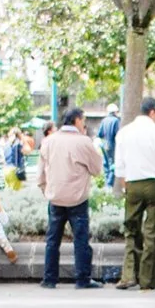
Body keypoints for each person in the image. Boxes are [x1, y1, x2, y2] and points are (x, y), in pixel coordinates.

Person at [39, 104, 106, 289]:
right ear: (77, 120)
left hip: (55, 197)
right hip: (77, 197)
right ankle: (82, 279)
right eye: (83, 120)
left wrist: (46, 190)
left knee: (52, 240)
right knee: (81, 239)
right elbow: (97, 169)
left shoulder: (49, 141)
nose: (84, 124)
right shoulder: (83, 142)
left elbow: (41, 173)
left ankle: (49, 278)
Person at [115, 96, 155, 292]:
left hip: (132, 184)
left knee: (131, 230)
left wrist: (127, 185)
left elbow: (119, 167)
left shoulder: (124, 133)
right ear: (153, 111)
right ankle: (147, 280)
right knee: (153, 233)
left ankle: (127, 275)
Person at [96, 103, 121, 187]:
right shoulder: (116, 121)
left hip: (104, 145)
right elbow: (117, 134)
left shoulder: (104, 120)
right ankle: (109, 185)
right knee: (113, 165)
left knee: (106, 165)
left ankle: (106, 182)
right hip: (112, 146)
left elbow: (99, 134)